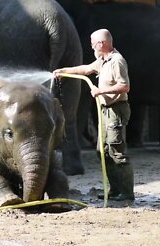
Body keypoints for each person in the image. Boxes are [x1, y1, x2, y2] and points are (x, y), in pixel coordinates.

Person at [53, 28, 134, 201]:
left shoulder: (117, 61)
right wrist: (63, 71)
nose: (91, 47)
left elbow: (125, 86)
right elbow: (86, 69)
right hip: (105, 110)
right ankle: (114, 190)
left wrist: (101, 91)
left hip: (116, 110)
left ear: (101, 44)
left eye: (92, 43)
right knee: (102, 152)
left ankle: (127, 193)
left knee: (116, 152)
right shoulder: (103, 60)